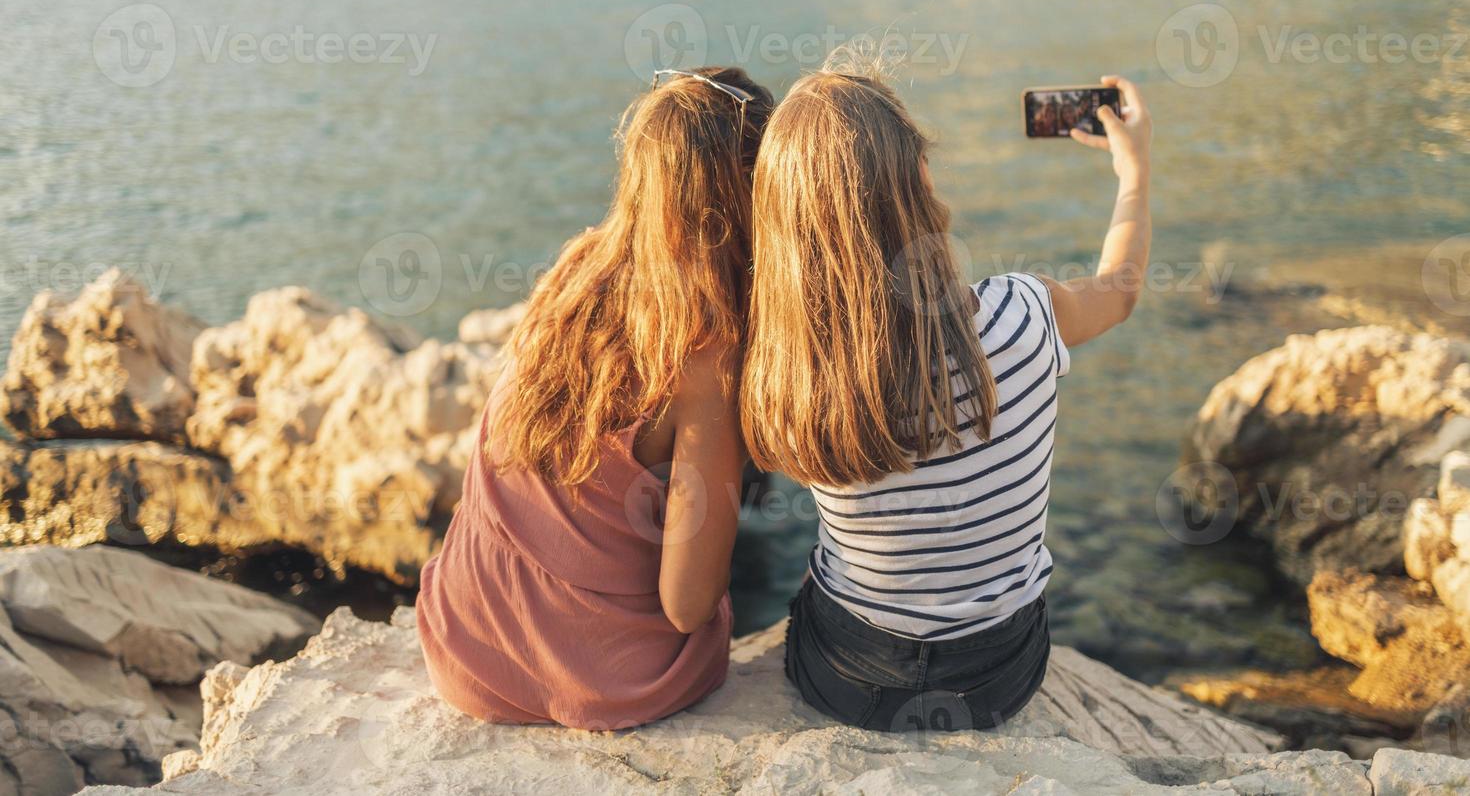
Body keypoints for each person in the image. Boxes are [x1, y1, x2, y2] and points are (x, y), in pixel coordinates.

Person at [741, 68, 1152, 731]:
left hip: (849, 680)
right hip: (997, 677)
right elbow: (1122, 287)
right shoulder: (1023, 313)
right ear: (923, 179)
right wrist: (1134, 172)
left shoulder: (793, 369)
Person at [417, 67, 774, 729]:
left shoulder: (574, 272)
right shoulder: (707, 358)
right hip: (606, 685)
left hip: (462, 648)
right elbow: (686, 604)